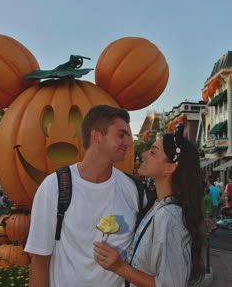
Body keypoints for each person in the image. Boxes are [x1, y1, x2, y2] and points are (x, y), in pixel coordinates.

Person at [25, 105, 144, 287]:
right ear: (96, 136)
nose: (128, 142)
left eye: (128, 135)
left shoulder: (134, 190)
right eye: (121, 135)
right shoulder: (55, 187)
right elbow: (40, 261)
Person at [94, 124, 205, 287]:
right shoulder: (157, 205)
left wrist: (119, 267)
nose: (143, 154)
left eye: (153, 152)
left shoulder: (169, 217)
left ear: (170, 168)